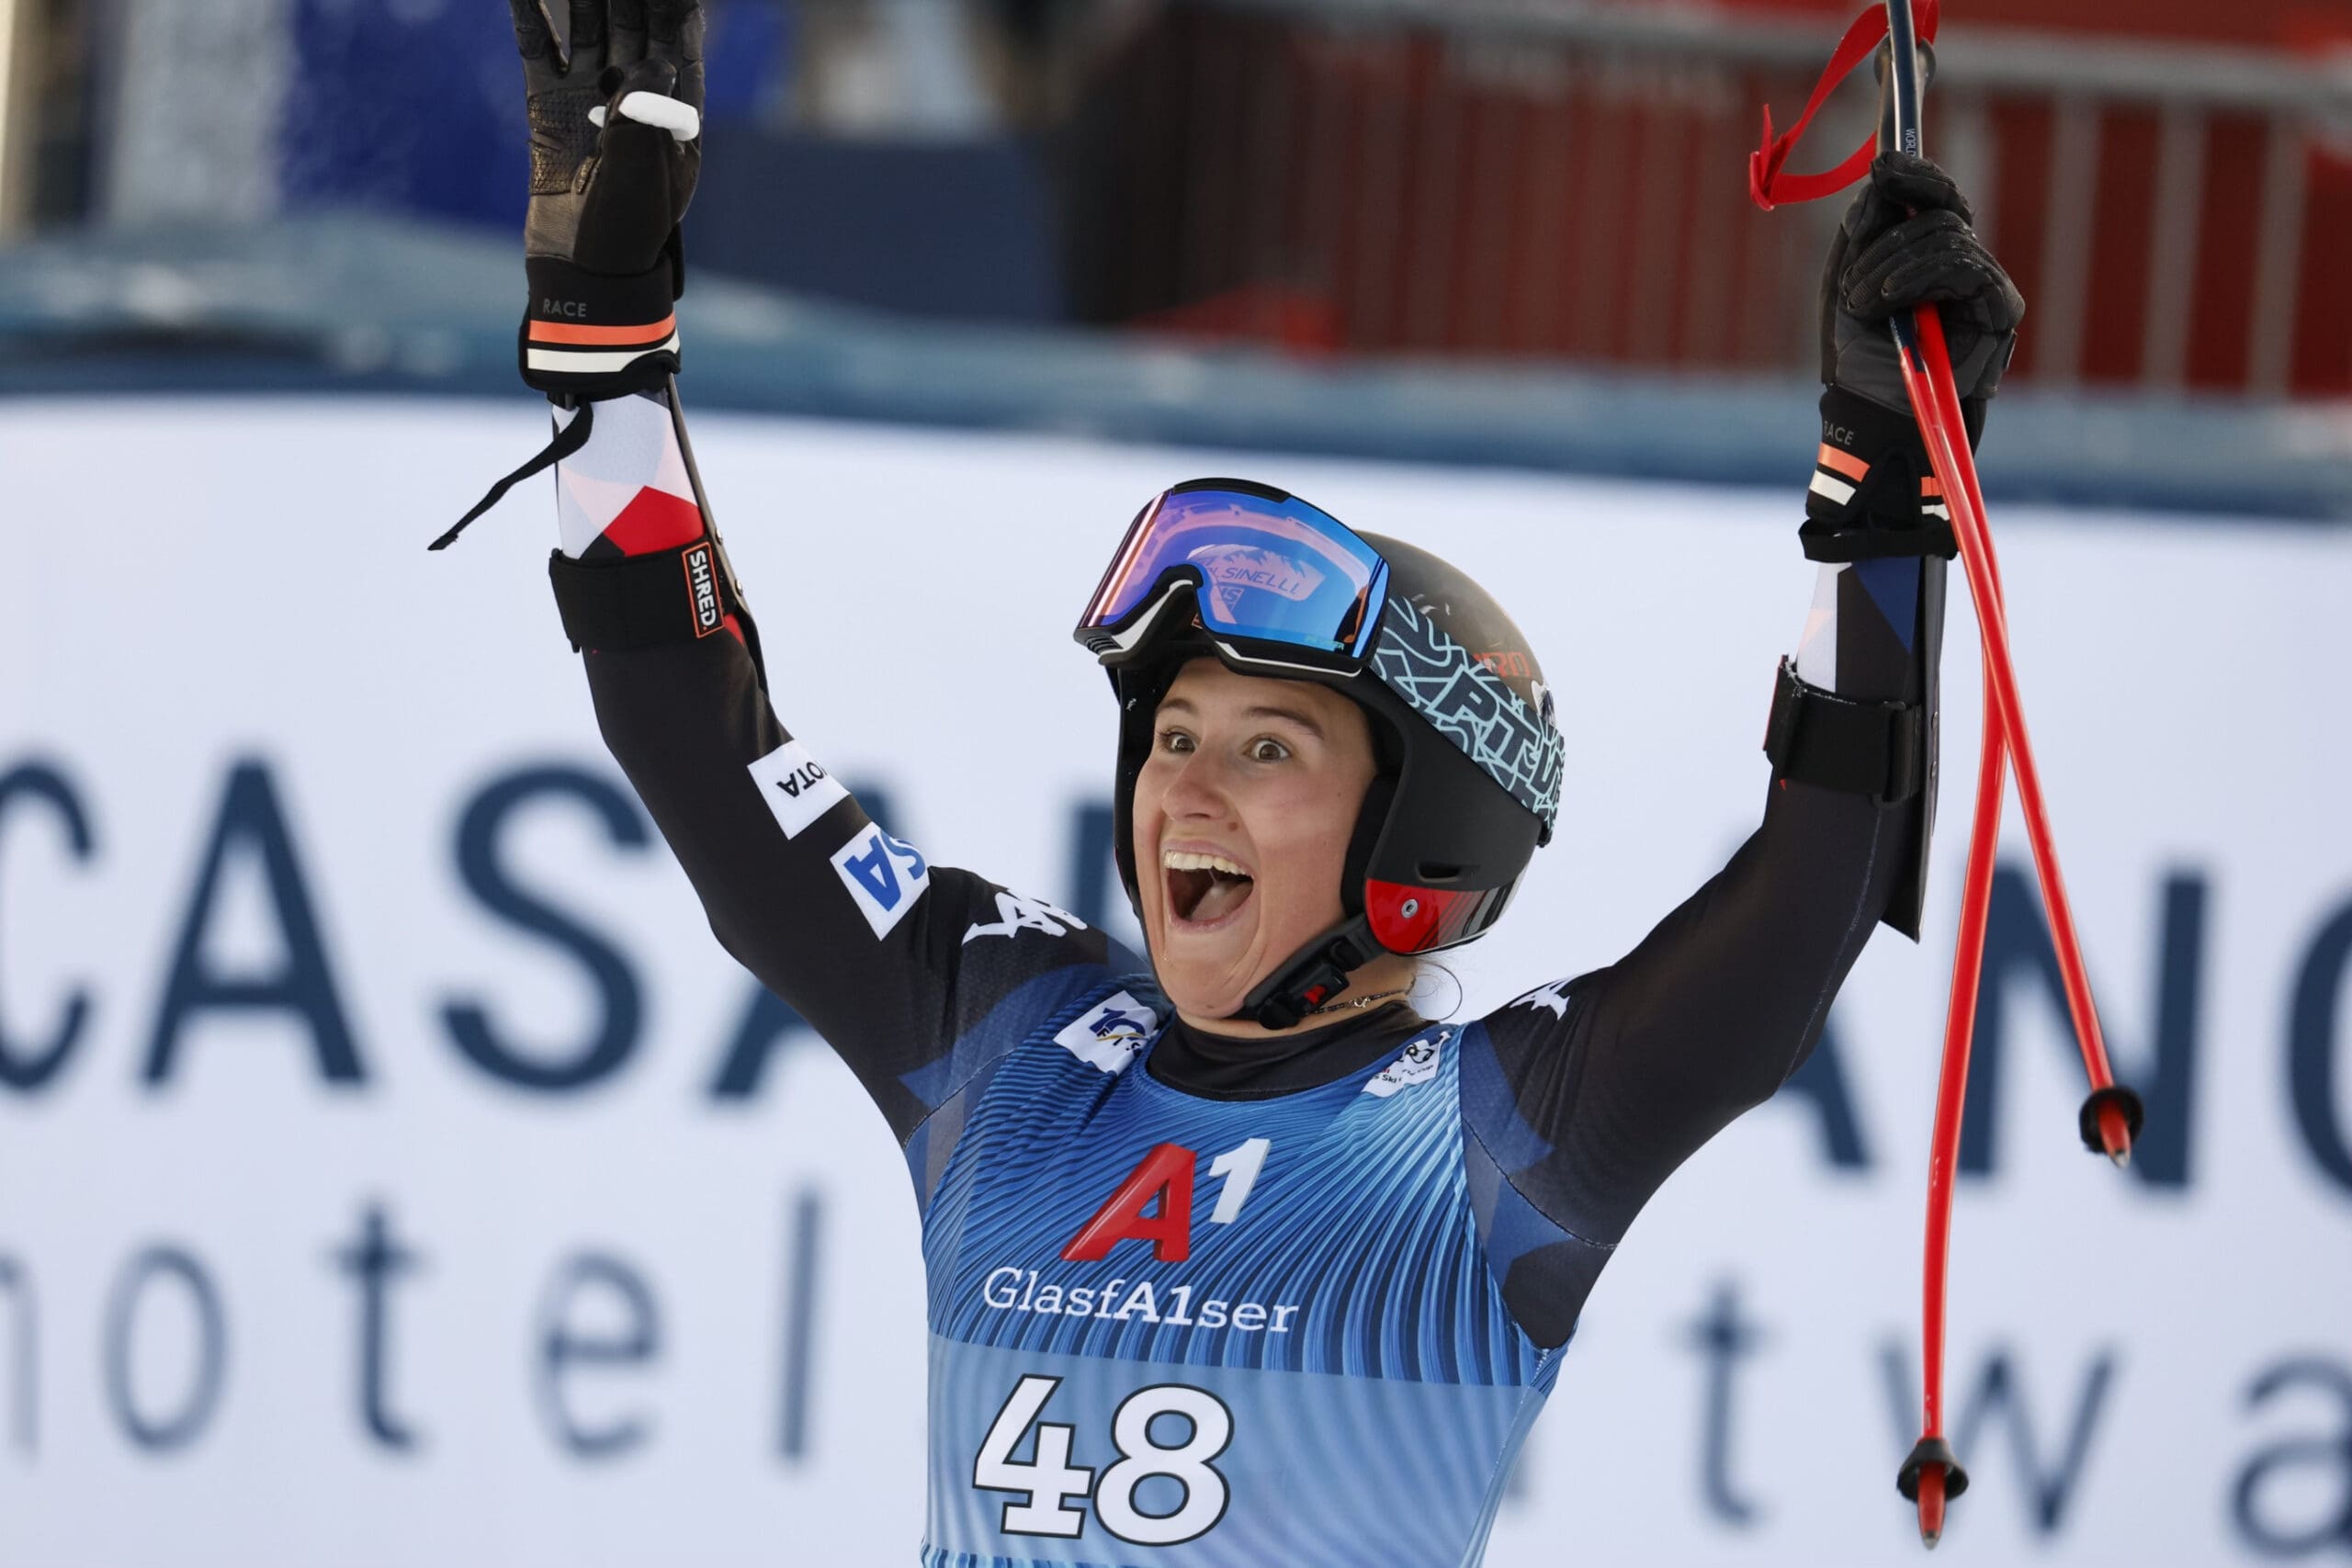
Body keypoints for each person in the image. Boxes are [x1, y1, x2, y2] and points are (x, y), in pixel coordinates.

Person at [473, 4, 2022, 1562]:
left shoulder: (1507, 1132)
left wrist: (1879, 488)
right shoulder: (1010, 1039)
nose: (1184, 789)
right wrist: (602, 336)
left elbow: (1822, 874)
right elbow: (688, 724)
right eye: (1172, 736)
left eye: (1267, 746)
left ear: (1420, 835)